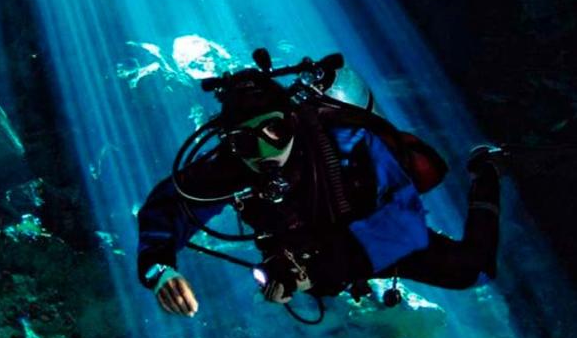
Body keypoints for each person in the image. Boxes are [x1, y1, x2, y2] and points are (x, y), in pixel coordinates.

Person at [136, 52, 505, 317]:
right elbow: (167, 207)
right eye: (246, 141)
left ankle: (485, 170)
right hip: (308, 261)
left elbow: (405, 222)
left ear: (292, 121)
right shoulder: (231, 165)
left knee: (475, 271)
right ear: (232, 143)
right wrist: (159, 269)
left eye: (274, 130)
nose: (264, 151)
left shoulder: (346, 139)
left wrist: (315, 272)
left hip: (374, 239)